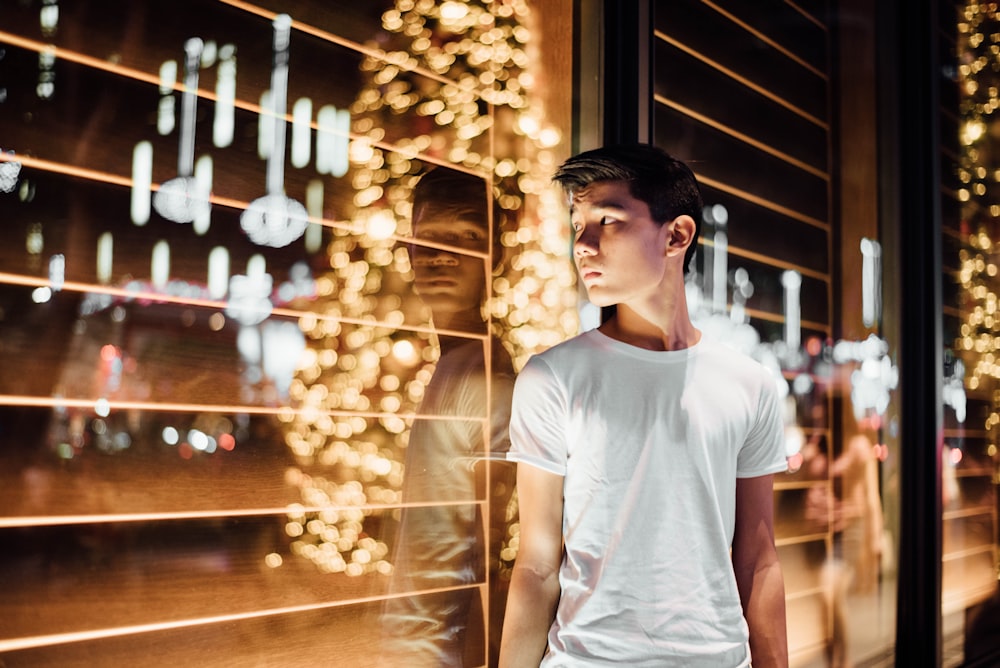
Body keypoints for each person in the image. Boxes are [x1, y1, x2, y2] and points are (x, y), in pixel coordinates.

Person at [499, 144, 789, 667]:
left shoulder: (749, 384)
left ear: (676, 234)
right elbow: (537, 565)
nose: (582, 244)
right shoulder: (554, 376)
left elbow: (759, 561)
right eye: (576, 223)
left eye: (607, 220)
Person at [379, 166, 516, 667]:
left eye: (467, 238)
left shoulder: (486, 383)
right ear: (408, 250)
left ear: (494, 258)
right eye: (431, 237)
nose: (442, 256)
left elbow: (492, 552)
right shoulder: (454, 366)